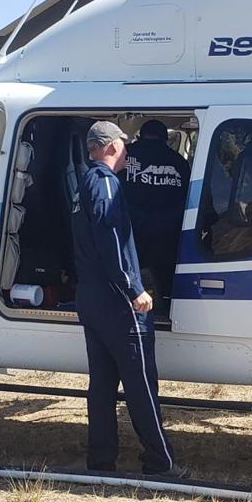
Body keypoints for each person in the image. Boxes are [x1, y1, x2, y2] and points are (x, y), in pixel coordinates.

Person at [71, 120, 180, 476]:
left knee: (102, 386)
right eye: (123, 145)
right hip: (117, 301)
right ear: (112, 146)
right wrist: (135, 289)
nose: (127, 151)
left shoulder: (84, 184)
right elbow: (112, 239)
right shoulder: (106, 183)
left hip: (91, 298)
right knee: (141, 382)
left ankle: (101, 461)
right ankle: (160, 461)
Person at [122, 119, 191, 306]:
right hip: (167, 239)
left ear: (141, 136)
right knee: (165, 287)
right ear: (165, 139)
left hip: (132, 237)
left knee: (130, 288)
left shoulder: (126, 156)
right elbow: (188, 201)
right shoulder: (179, 163)